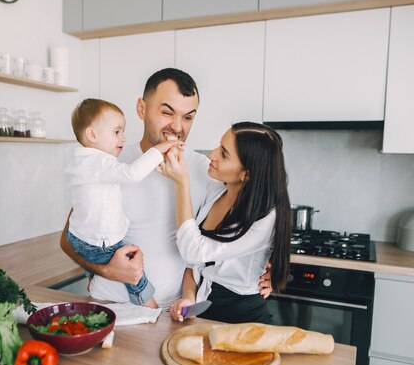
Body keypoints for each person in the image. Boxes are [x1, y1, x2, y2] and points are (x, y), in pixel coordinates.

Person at [60, 68, 273, 308]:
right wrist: (107, 270)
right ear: (142, 109)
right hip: (110, 306)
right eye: (166, 112)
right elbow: (69, 239)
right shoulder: (110, 164)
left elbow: (250, 213)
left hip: (172, 314)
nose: (177, 127)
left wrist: (266, 262)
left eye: (188, 117)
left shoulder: (208, 170)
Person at [159, 121, 291, 324]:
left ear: (246, 174)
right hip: (204, 313)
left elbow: (192, 250)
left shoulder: (265, 218)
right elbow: (194, 264)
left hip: (243, 319)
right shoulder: (218, 191)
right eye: (219, 146)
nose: (212, 154)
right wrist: (188, 297)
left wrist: (181, 183)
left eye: (224, 154)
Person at [65, 98, 182, 307]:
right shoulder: (99, 161)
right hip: (99, 243)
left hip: (77, 236)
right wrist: (160, 150)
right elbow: (132, 173)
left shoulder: (81, 161)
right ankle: (147, 304)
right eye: (117, 132)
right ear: (92, 135)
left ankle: (93, 275)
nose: (123, 137)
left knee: (118, 252)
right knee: (133, 268)